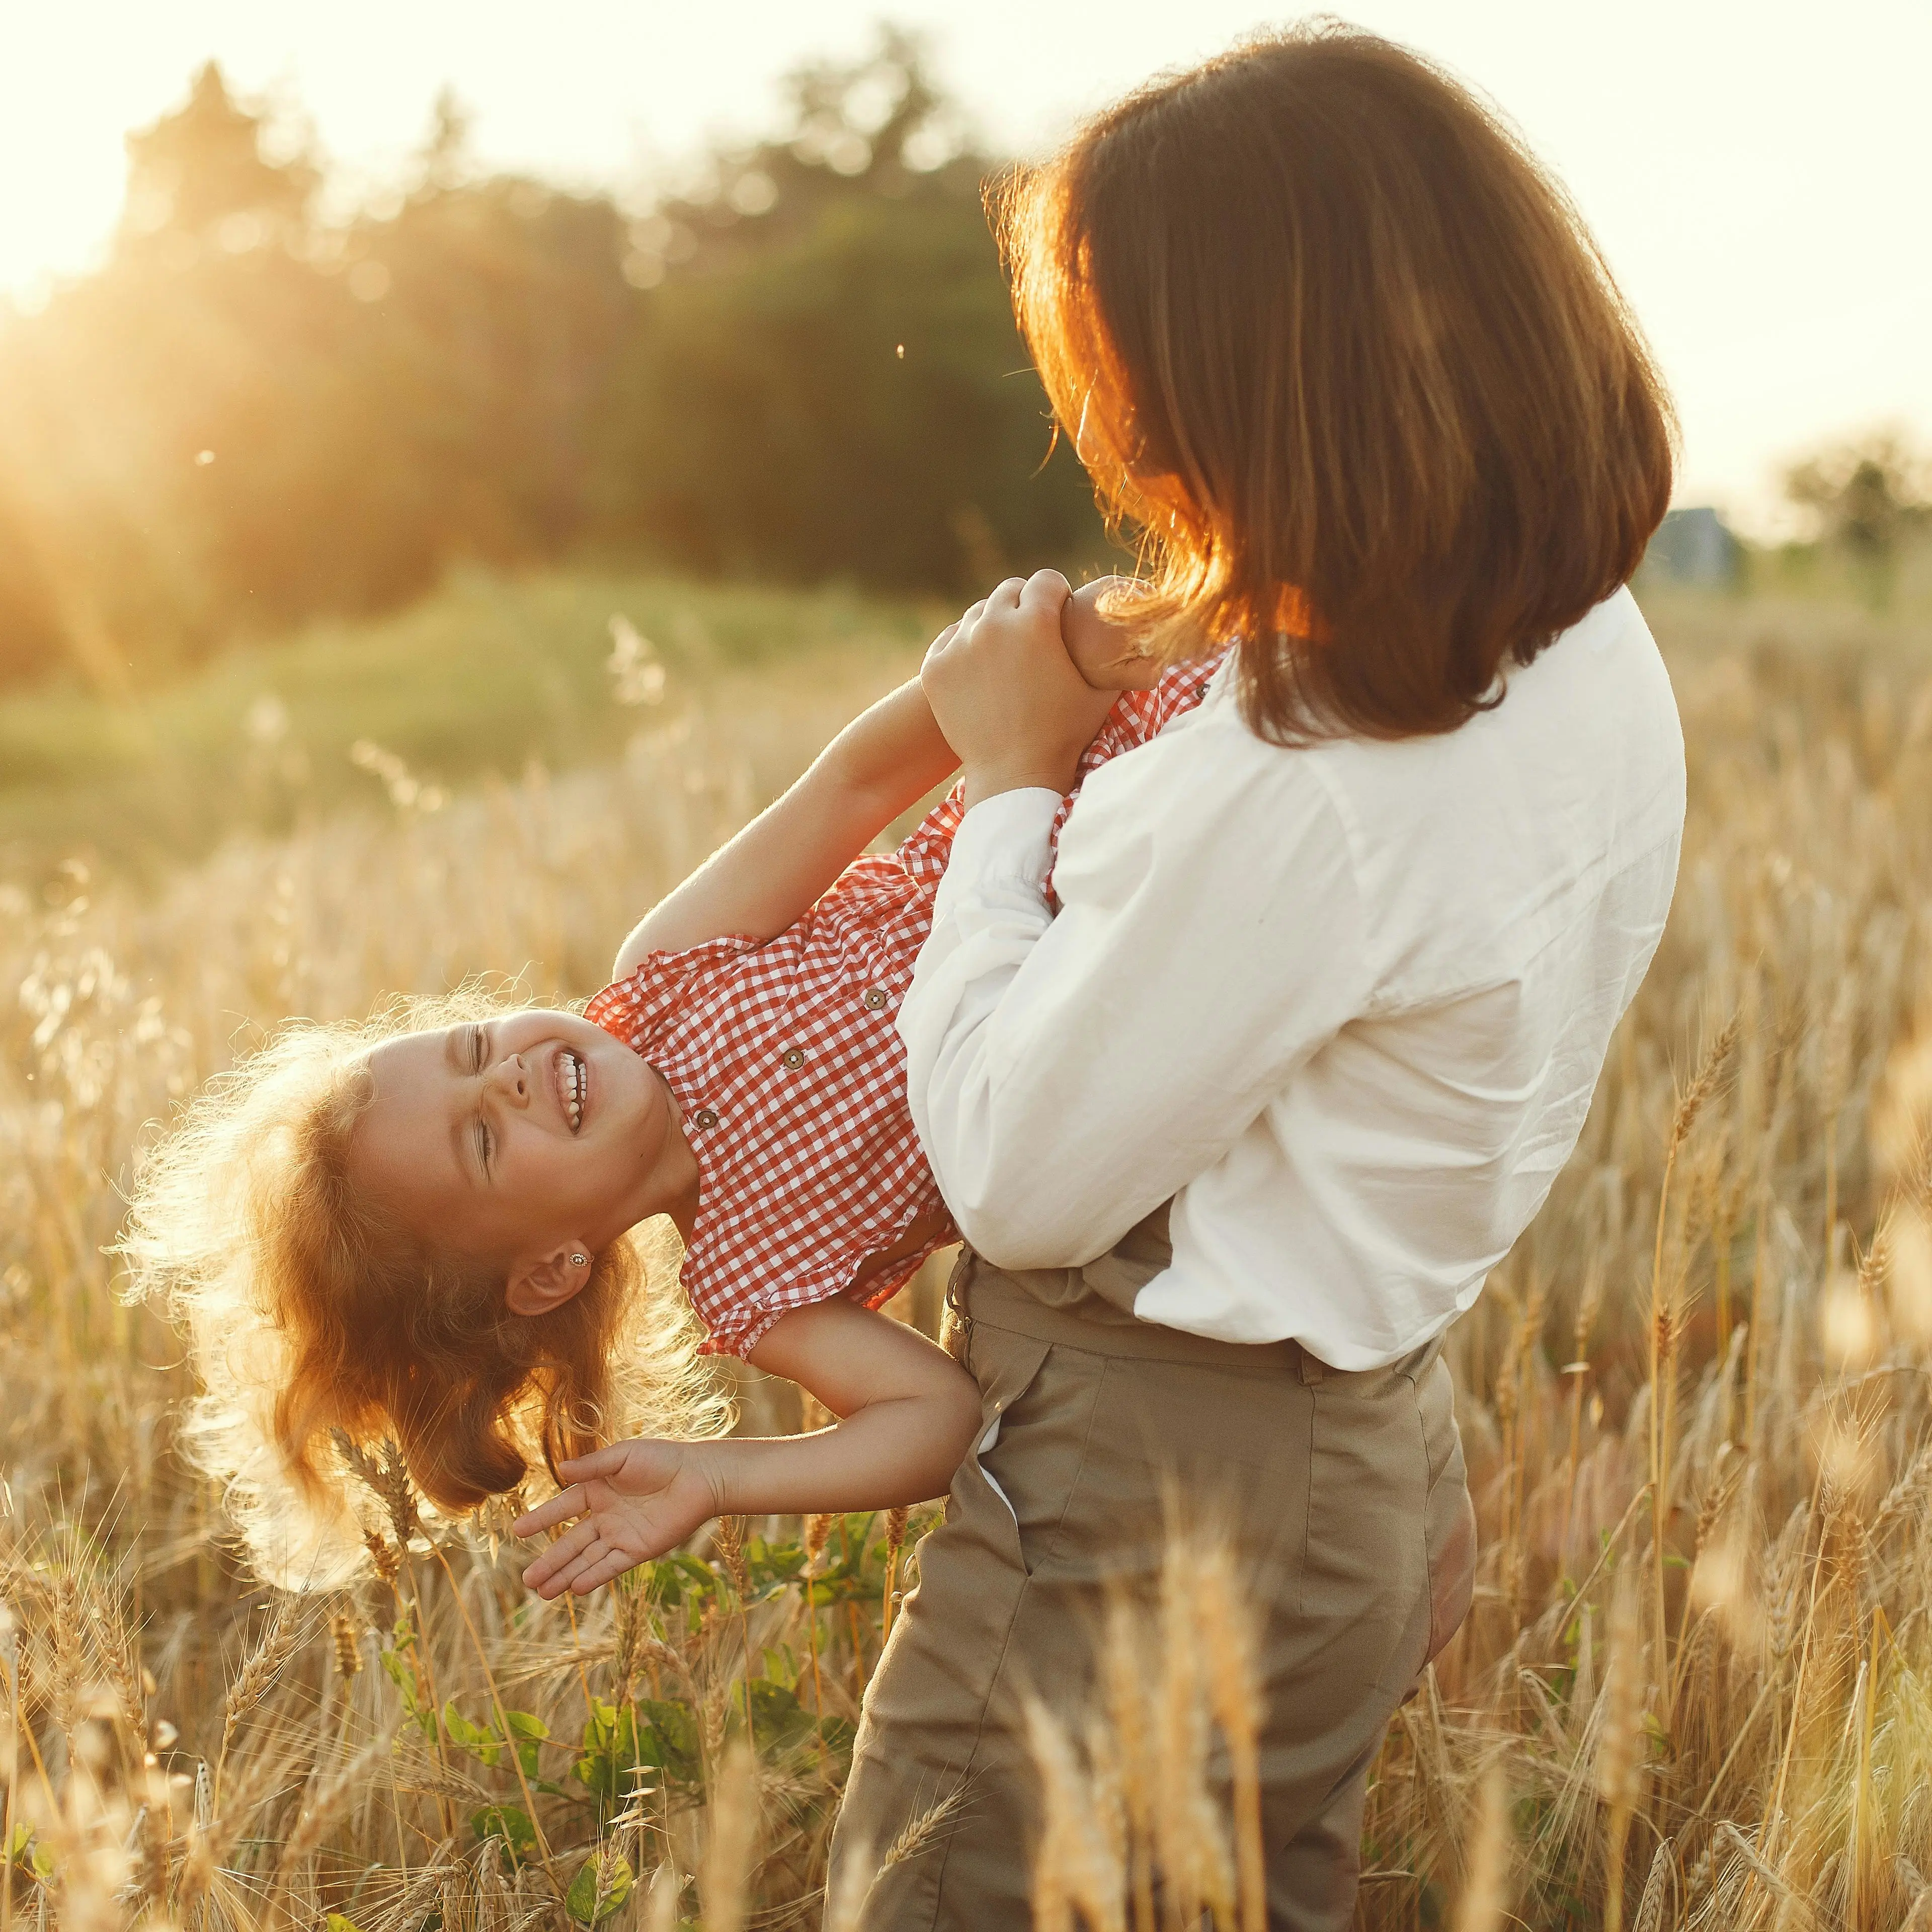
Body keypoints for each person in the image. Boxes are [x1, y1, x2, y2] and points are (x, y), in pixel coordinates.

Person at [825, 24, 1686, 1931]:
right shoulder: (1583, 641)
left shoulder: (1313, 772)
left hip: (1152, 1472)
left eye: (1126, 367)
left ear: (1250, 381)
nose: (1121, 438)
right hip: (1346, 1435)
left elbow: (1018, 1175)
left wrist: (1011, 783)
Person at [123, 585, 1208, 1587]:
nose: (509, 1078)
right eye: (483, 1141)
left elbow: (854, 782)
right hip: (1166, 983)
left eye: (473, 1048)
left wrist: (1048, 660)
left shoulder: (668, 967)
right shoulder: (759, 1279)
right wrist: (718, 1476)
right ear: (550, 1270)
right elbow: (934, 1418)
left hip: (1097, 776)